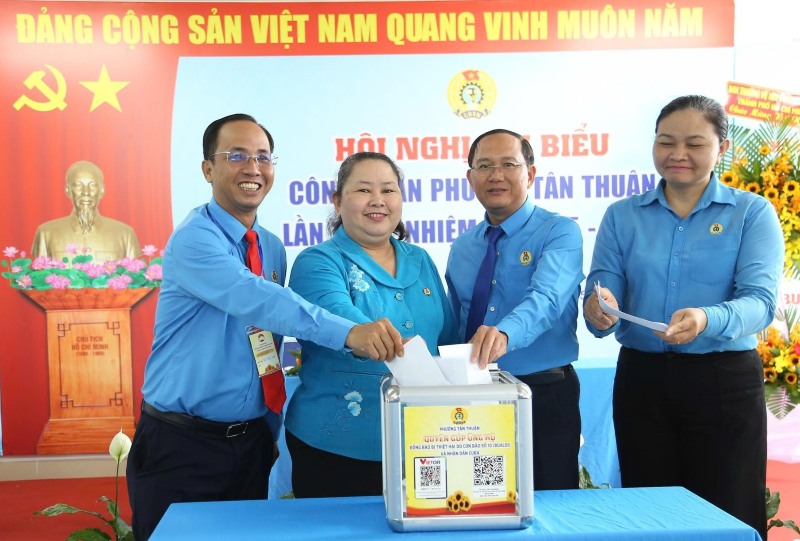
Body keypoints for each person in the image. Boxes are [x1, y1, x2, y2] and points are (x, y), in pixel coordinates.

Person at [126, 115, 405, 540]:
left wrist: (269, 431)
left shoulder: (270, 246)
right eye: (236, 156)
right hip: (182, 443)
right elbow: (261, 300)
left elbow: (267, 345)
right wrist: (350, 333)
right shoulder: (195, 240)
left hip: (250, 444)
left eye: (262, 157)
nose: (252, 168)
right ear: (207, 169)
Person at [583, 95, 783, 540]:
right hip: (643, 380)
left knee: (728, 510)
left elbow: (760, 303)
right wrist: (597, 309)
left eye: (695, 143)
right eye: (666, 142)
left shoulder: (751, 213)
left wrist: (706, 318)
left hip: (722, 381)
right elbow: (601, 288)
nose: (678, 154)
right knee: (649, 510)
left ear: (722, 147)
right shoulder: (622, 215)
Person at [284, 151, 459, 498]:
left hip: (425, 444)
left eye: (389, 190)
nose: (378, 201)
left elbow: (447, 341)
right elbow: (341, 318)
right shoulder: (317, 262)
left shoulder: (420, 259)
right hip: (337, 448)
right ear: (337, 201)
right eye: (363, 190)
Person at [445, 129, 584, 490]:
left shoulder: (560, 232)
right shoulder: (463, 246)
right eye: (484, 166)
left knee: (551, 508)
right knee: (483, 502)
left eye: (509, 164)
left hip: (543, 394)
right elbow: (456, 322)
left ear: (531, 174)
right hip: (475, 397)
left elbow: (547, 299)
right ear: (470, 177)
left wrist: (504, 334)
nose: (496, 175)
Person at [31, 160, 141, 261]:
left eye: (92, 185)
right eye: (78, 185)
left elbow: (137, 279)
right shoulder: (46, 233)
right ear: (68, 190)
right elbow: (38, 276)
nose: (86, 192)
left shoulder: (125, 235)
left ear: (102, 190)